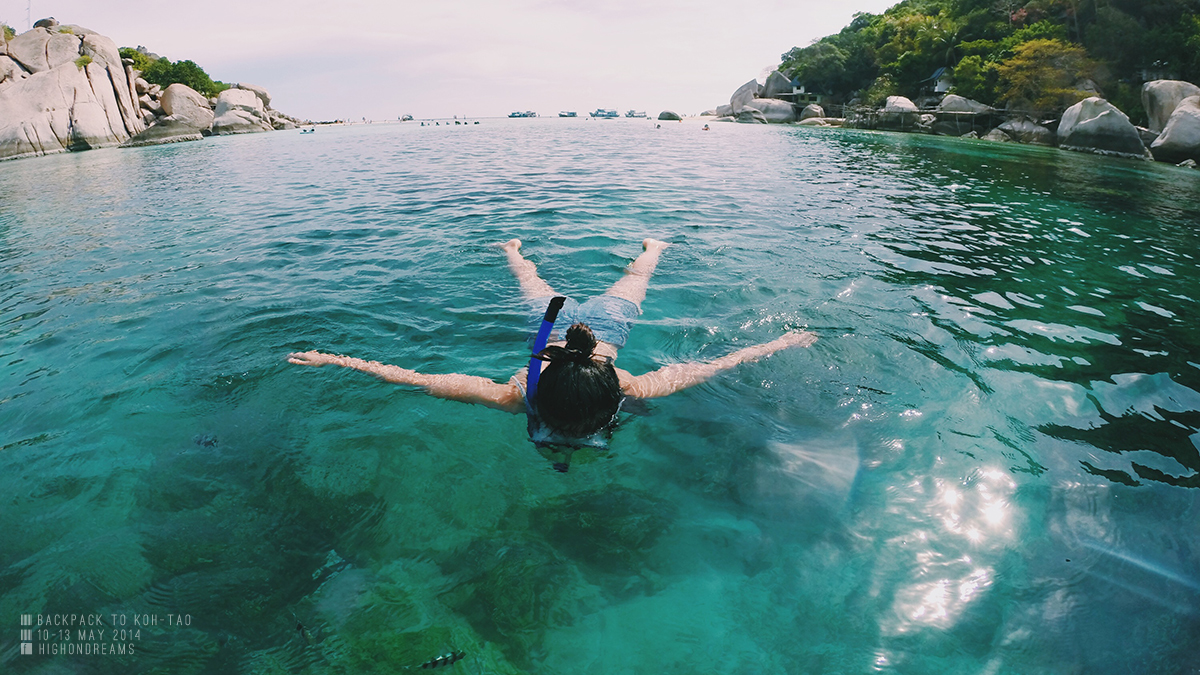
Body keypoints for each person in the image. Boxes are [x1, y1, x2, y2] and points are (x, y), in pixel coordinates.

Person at [288, 239, 817, 470]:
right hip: (578, 329)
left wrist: (341, 360)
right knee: (544, 287)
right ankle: (524, 253)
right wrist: (337, 360)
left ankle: (634, 250)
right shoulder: (600, 390)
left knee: (601, 284)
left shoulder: (523, 395)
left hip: (587, 328)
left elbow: (414, 378)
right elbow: (716, 364)